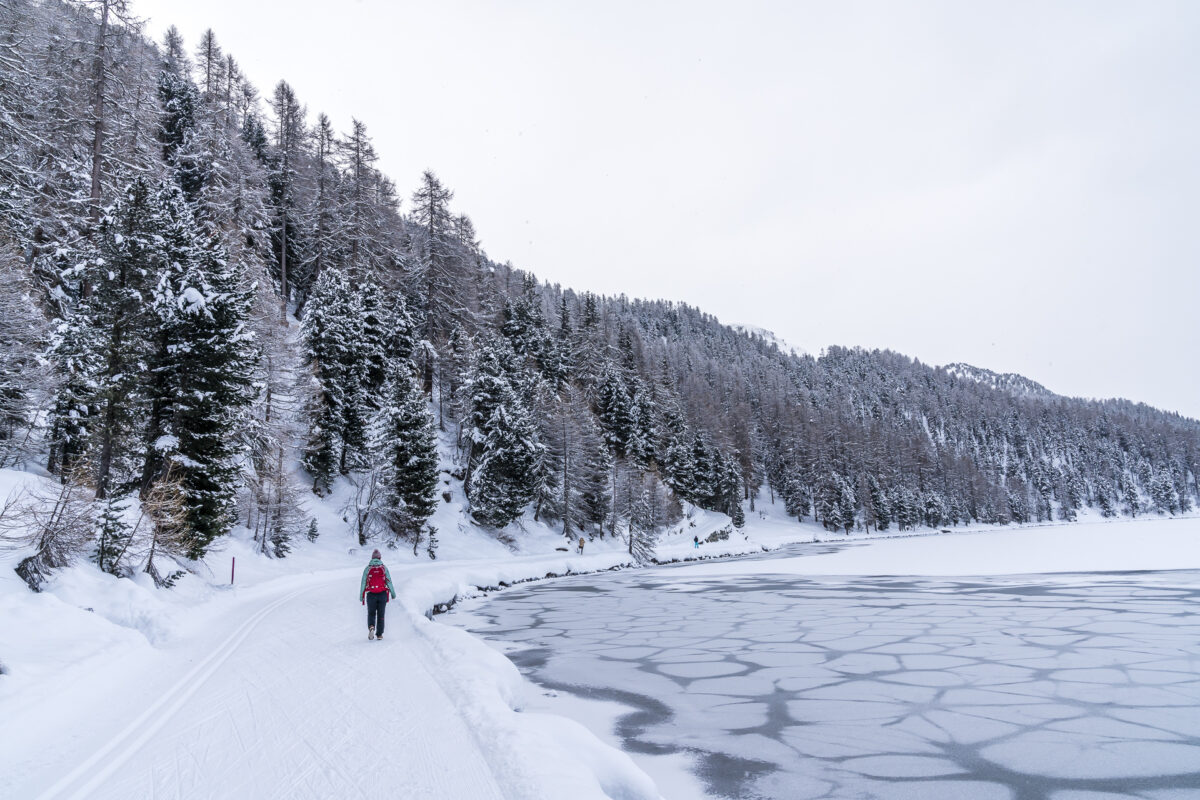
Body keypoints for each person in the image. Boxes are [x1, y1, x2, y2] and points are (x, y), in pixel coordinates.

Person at [360, 549, 396, 641]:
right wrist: (393, 593)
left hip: (371, 594)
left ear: (372, 558)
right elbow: (389, 581)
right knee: (381, 614)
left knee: (371, 613)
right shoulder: (384, 568)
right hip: (382, 594)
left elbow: (363, 583)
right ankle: (379, 634)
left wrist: (361, 596)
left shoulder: (367, 568)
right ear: (380, 558)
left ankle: (371, 627)